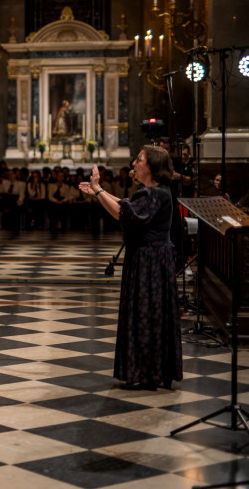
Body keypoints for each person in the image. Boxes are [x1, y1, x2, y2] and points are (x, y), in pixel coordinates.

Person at [79, 146, 182, 390]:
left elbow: (124, 214)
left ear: (152, 166)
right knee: (154, 315)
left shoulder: (153, 193)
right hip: (155, 259)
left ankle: (145, 374)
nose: (134, 163)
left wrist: (98, 189)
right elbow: (128, 208)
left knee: (144, 315)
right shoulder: (155, 192)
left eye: (139, 159)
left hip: (149, 262)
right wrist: (100, 193)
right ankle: (156, 371)